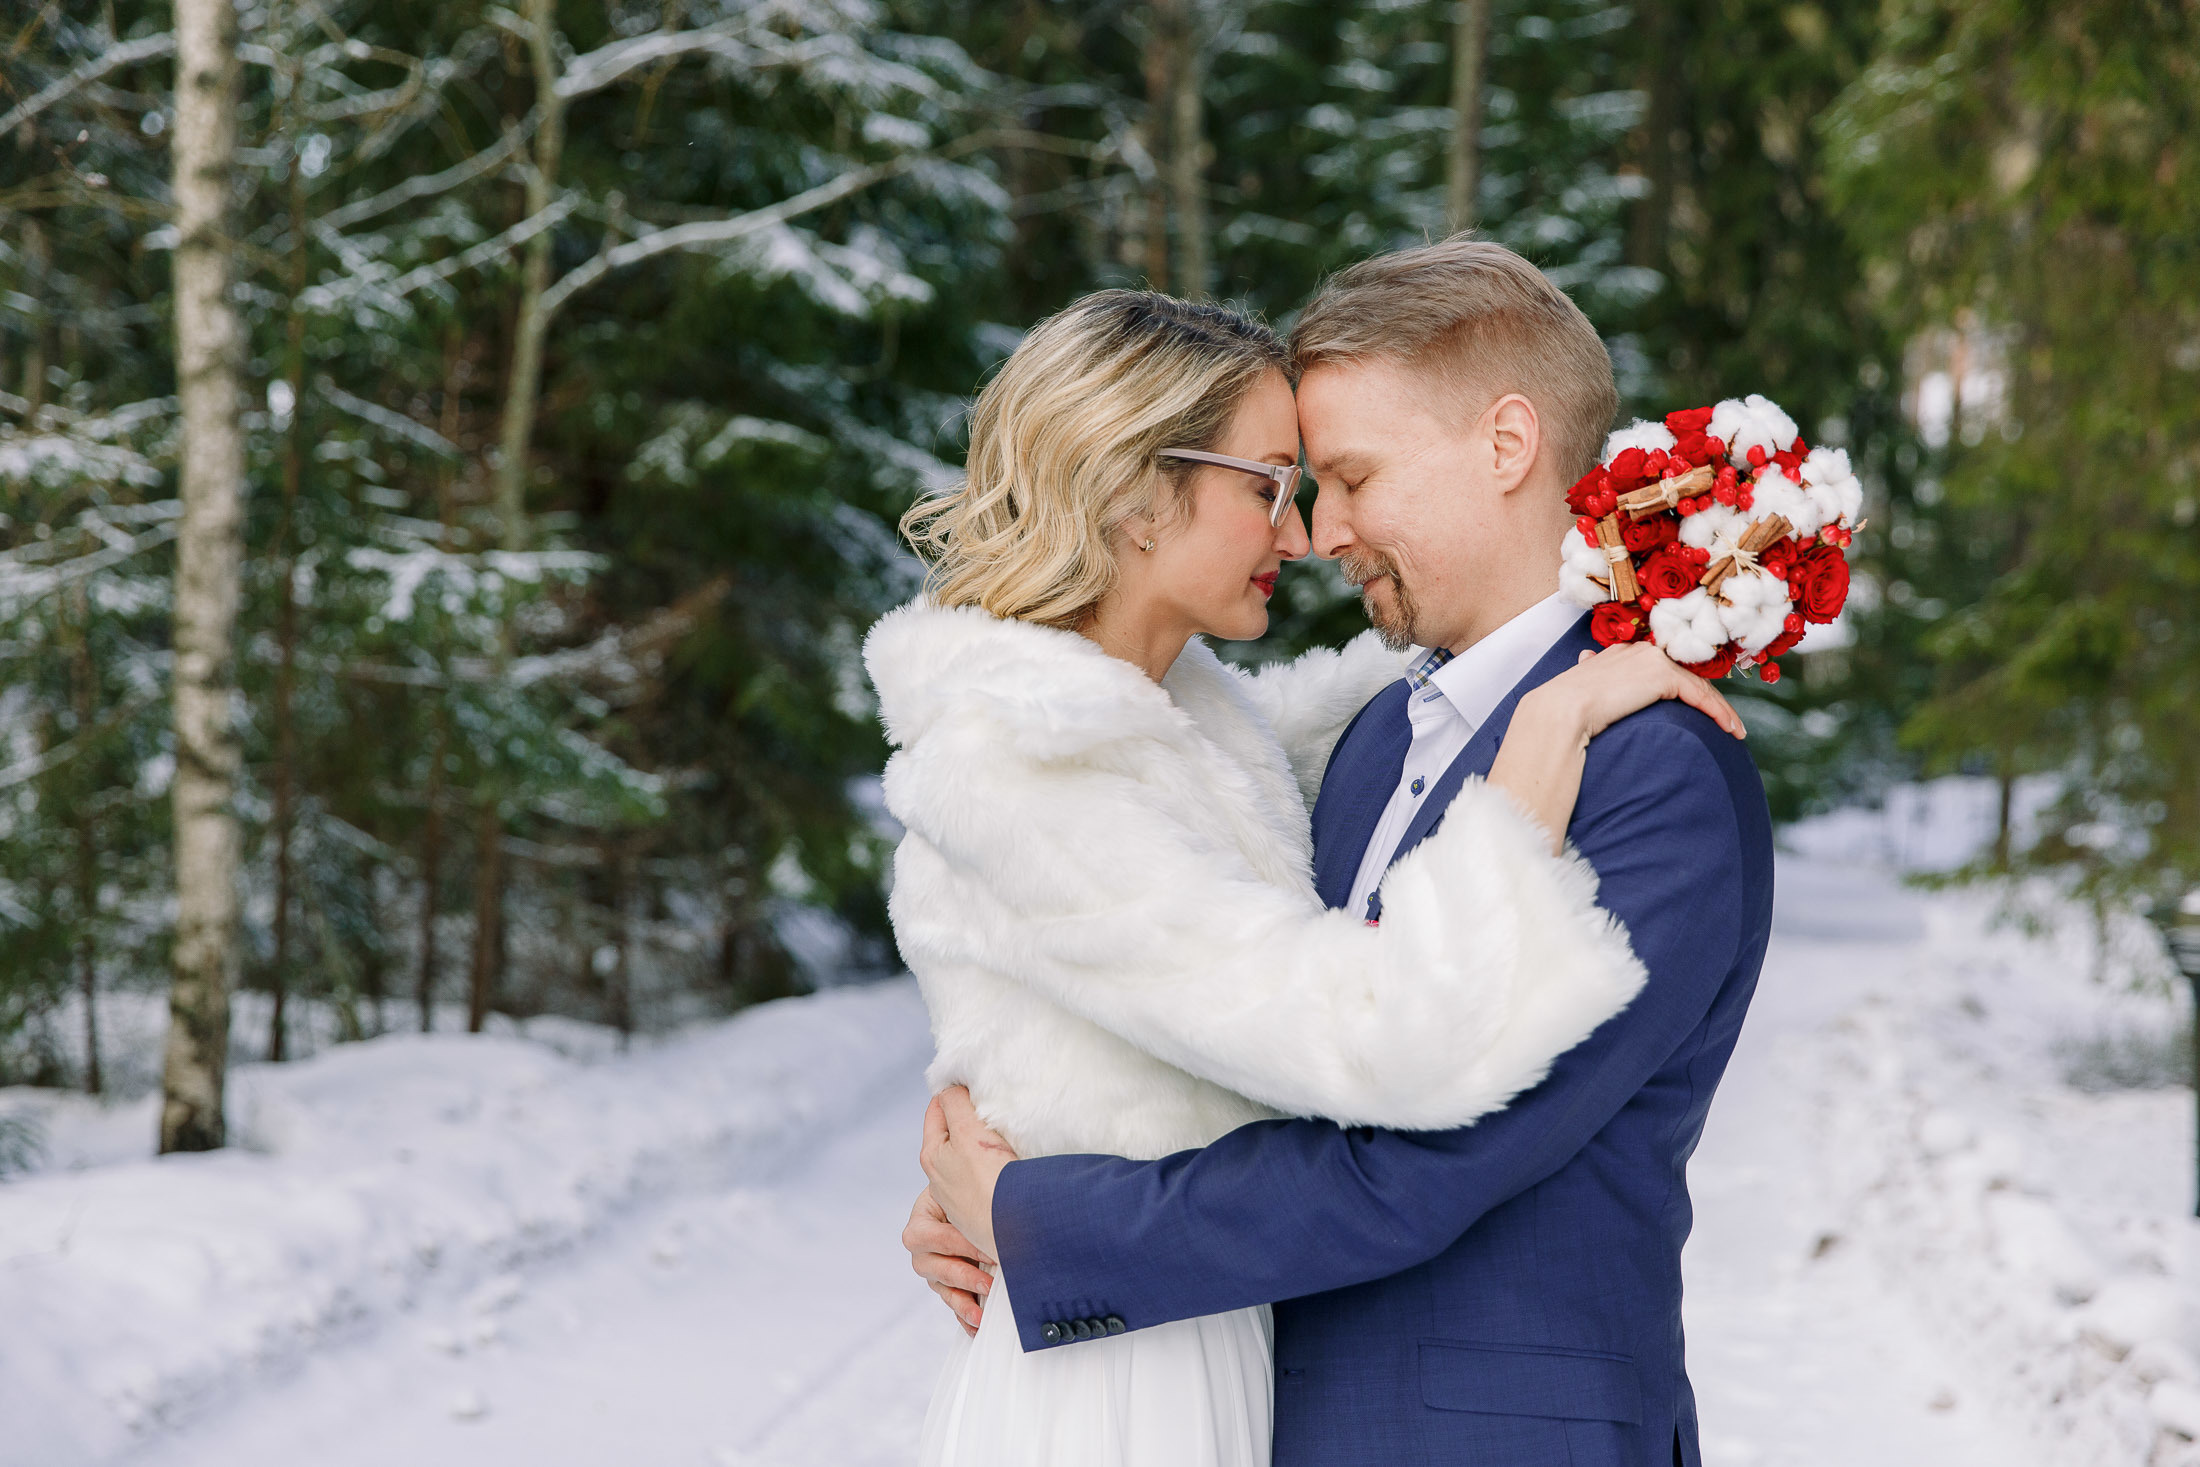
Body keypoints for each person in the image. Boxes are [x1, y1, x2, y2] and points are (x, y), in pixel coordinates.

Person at [908, 240, 1777, 1467]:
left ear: (1507, 445)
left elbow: (1423, 1161)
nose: (1319, 533)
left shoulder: (1646, 766)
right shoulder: (1368, 740)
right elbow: (1219, 1008)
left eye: (1348, 477)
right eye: (1292, 485)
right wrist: (1016, 1133)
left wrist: (1037, 1216)